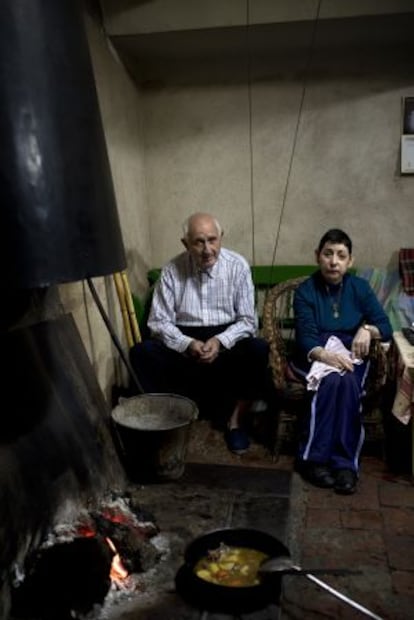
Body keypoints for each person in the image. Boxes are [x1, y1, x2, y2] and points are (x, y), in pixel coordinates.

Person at [129, 212, 269, 454]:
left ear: (221, 238)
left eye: (212, 240)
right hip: (185, 348)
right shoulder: (172, 270)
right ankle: (166, 421)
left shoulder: (238, 266)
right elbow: (158, 322)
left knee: (258, 349)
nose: (207, 249)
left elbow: (248, 321)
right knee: (141, 353)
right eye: (199, 242)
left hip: (225, 347)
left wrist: (220, 341)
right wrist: (187, 343)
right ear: (185, 243)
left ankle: (235, 423)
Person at [290, 229, 392, 494]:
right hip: (314, 351)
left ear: (350, 261)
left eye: (341, 256)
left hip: (350, 350)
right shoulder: (305, 291)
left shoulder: (359, 288)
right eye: (327, 254)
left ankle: (345, 464)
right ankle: (313, 459)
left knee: (347, 383)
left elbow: (386, 326)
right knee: (331, 380)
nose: (333, 261)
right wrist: (325, 356)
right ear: (317, 256)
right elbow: (305, 336)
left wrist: (367, 330)